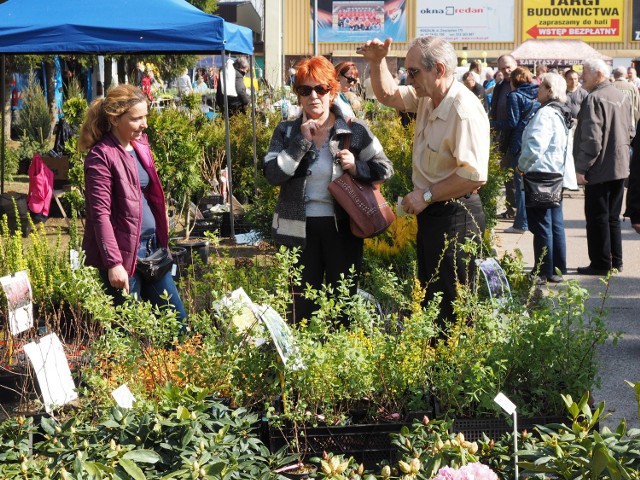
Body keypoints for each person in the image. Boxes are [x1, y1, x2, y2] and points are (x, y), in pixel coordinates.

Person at [359, 36, 488, 326]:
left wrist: (426, 195)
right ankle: (435, 363)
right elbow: (388, 95)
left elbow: (473, 174)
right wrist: (377, 61)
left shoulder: (461, 110)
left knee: (453, 306)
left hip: (457, 216)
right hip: (436, 213)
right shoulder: (429, 96)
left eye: (413, 72)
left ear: (439, 70)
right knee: (432, 299)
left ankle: (453, 366)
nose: (408, 78)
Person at [263, 56, 393, 323]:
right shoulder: (286, 132)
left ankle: (338, 362)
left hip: (343, 230)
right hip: (297, 231)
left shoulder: (354, 131)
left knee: (342, 306)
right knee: (301, 309)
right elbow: (272, 175)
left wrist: (358, 168)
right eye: (305, 90)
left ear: (333, 92)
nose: (314, 96)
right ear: (297, 95)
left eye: (321, 89)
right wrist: (300, 143)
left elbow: (386, 168)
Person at [78, 85, 187, 323]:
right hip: (125, 255)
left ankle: (171, 360)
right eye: (137, 118)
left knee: (176, 324)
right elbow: (100, 216)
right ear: (115, 119)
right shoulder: (101, 156)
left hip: (152, 250)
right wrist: (114, 263)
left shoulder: (139, 147)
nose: (144, 123)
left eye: (145, 116)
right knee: (126, 332)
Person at [574, 59, 634, 275]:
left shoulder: (595, 98)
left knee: (597, 217)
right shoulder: (621, 96)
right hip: (618, 165)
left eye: (585, 73)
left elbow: (592, 139)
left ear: (598, 74)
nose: (582, 77)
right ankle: (615, 261)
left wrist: (581, 168)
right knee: (612, 217)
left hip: (599, 168)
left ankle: (601, 263)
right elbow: (630, 130)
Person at [517, 73, 572, 284]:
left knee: (541, 225)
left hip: (540, 173)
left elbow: (535, 144)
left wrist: (522, 166)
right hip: (555, 173)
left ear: (549, 91)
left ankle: (543, 271)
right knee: (554, 223)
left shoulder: (546, 114)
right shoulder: (560, 112)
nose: (536, 91)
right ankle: (557, 269)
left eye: (540, 88)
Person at [504, 66, 539, 234]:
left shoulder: (515, 96)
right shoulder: (537, 94)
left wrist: (493, 124)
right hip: (532, 141)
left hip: (518, 143)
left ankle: (520, 224)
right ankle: (529, 221)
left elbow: (512, 123)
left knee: (519, 186)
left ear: (513, 80)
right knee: (530, 184)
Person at [490, 54, 518, 219]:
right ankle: (511, 209)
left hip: (516, 137)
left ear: (515, 64)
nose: (506, 71)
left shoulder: (523, 84)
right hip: (502, 136)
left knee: (516, 176)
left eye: (508, 67)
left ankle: (518, 211)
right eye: (502, 68)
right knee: (507, 175)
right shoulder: (500, 86)